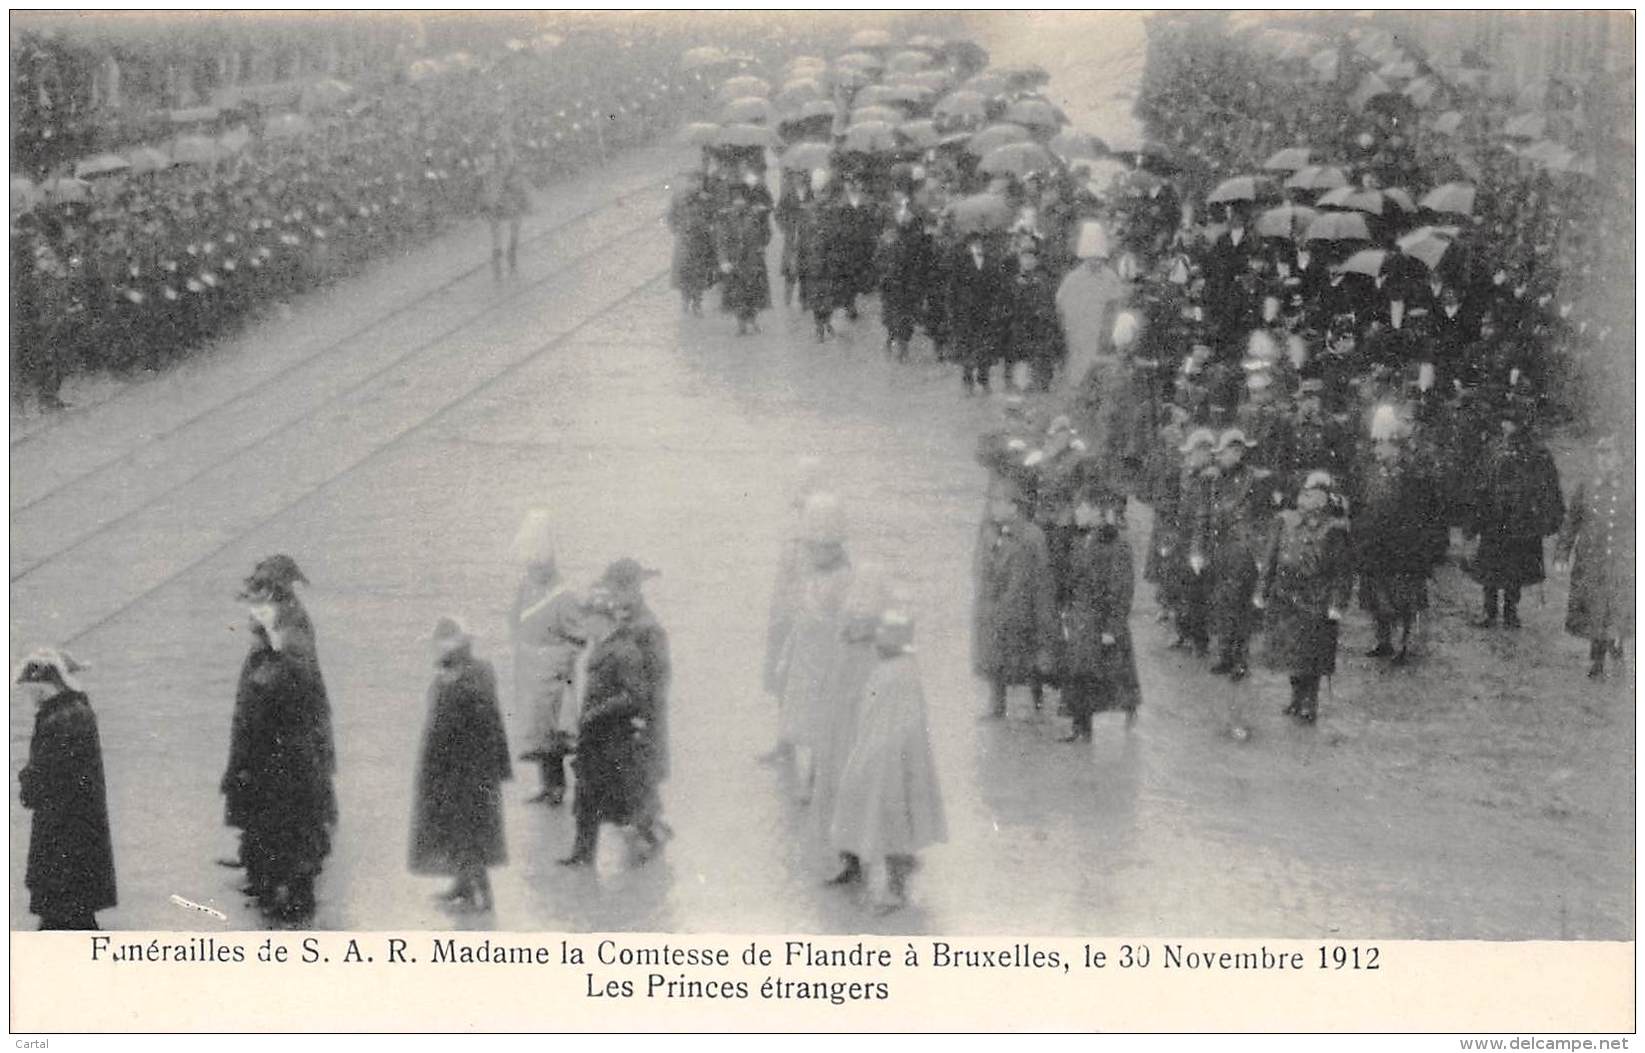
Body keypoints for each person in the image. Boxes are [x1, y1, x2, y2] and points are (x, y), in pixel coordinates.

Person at [221, 554, 336, 921]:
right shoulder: (276, 625)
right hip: (270, 738)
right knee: (267, 811)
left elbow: (294, 675)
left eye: (258, 599)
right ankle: (263, 874)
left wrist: (266, 666)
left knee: (290, 817)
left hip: (288, 743)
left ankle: (292, 888)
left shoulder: (290, 628)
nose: (252, 608)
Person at [827, 604, 947, 913]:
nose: (876, 643)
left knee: (891, 819)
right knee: (854, 804)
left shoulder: (902, 673)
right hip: (871, 751)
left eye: (882, 638)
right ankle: (854, 864)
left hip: (892, 759)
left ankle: (896, 888)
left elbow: (908, 724)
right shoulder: (887, 666)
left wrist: (888, 754)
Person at [561, 558, 672, 867]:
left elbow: (656, 682)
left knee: (634, 791)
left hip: (637, 725)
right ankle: (647, 841)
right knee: (631, 791)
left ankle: (650, 844)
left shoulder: (646, 628)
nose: (613, 596)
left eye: (615, 589)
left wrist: (641, 722)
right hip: (622, 724)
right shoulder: (625, 624)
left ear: (631, 589)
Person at [410, 617, 511, 913]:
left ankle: (482, 895)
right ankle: (463, 886)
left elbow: (477, 722)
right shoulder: (463, 672)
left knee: (467, 831)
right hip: (453, 767)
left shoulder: (468, 676)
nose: (436, 649)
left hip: (467, 769)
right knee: (455, 829)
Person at [18, 649, 116, 930]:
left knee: (63, 906)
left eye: (32, 691)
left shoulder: (59, 719)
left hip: (63, 827)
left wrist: (26, 780)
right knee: (73, 907)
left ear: (44, 686)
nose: (30, 698)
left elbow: (44, 775)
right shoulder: (72, 712)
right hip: (75, 826)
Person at [770, 493, 854, 797]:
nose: (813, 553)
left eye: (819, 548)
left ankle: (818, 778)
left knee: (826, 720)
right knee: (805, 718)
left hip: (829, 659)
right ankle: (814, 775)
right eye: (812, 547)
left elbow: (846, 623)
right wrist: (786, 655)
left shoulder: (844, 578)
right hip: (806, 657)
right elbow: (800, 616)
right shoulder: (813, 574)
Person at [1258, 471, 1354, 723]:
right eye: (1303, 493)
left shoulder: (1334, 530)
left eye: (1310, 494)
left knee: (1312, 657)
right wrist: (1262, 590)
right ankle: (1295, 698)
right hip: (1286, 597)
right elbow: (1270, 558)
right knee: (1291, 655)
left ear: (1323, 499)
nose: (1304, 498)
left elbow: (1342, 573)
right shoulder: (1285, 521)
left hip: (1317, 600)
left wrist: (1337, 603)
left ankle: (1310, 702)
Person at [1351, 405, 1444, 664]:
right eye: (1376, 445)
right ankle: (1383, 640)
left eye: (1381, 445)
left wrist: (1424, 545)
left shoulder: (1413, 474)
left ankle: (1404, 643)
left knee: (1404, 599)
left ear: (1395, 447)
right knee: (1376, 596)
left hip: (1405, 547)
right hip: (1375, 544)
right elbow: (1360, 505)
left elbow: (1427, 511)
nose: (1376, 450)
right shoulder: (1370, 473)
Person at [509, 510, 589, 806]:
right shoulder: (526, 588)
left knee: (556, 731)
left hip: (554, 673)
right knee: (537, 730)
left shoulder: (564, 594)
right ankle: (546, 784)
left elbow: (579, 637)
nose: (534, 572)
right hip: (531, 669)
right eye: (531, 567)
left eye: (538, 567)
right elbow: (515, 621)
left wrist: (557, 660)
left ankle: (559, 788)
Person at [1465, 403, 1564, 629]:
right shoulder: (1493, 447)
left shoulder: (1535, 452)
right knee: (1489, 568)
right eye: (1504, 421)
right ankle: (1489, 611)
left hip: (1520, 521)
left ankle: (1511, 612)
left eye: (1510, 422)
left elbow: (1548, 486)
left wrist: (1546, 517)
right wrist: (1474, 518)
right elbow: (1481, 481)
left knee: (1514, 570)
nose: (1505, 426)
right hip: (1494, 519)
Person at [1059, 491, 1142, 741]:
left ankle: (1129, 710)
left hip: (1101, 619)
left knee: (1112, 672)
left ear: (1096, 511)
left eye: (1082, 509)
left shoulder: (1116, 543)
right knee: (1078, 672)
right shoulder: (1079, 539)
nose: (1077, 514)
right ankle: (1080, 726)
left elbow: (1121, 589)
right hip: (1080, 617)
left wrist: (1112, 627)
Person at [973, 476, 1057, 718]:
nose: (993, 508)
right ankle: (996, 705)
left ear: (1014, 507)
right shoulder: (989, 532)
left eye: (1000, 503)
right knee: (994, 655)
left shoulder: (1032, 535)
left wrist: (1041, 611)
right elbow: (979, 567)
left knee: (1031, 659)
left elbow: (1042, 579)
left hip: (1024, 608)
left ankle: (1037, 702)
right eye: (993, 503)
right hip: (994, 606)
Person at [1554, 436, 1633, 678]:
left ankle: (1614, 643)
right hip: (1591, 560)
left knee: (1616, 607)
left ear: (1621, 458)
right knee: (1595, 610)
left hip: (1621, 560)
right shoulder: (1587, 485)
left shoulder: (1633, 487)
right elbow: (1571, 521)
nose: (1605, 460)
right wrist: (1562, 553)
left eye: (1610, 455)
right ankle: (1597, 660)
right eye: (1601, 455)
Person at [948, 231, 1008, 395]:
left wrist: (997, 308)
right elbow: (953, 289)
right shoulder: (960, 264)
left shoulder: (992, 263)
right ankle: (968, 381)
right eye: (974, 245)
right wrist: (953, 311)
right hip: (966, 313)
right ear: (968, 247)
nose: (978, 247)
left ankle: (984, 380)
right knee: (967, 349)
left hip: (987, 313)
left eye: (980, 244)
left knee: (985, 350)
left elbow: (999, 287)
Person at [716, 184, 773, 336]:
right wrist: (723, 261)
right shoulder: (726, 218)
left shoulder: (756, 216)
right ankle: (741, 324)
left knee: (753, 292)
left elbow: (766, 235)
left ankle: (753, 320)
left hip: (753, 260)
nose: (739, 203)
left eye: (742, 199)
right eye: (736, 200)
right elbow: (721, 241)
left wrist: (761, 243)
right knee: (737, 294)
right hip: (735, 262)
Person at [478, 137, 531, 280]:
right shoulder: (495, 162)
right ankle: (505, 258)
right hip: (501, 199)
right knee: (504, 229)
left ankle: (504, 259)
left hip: (500, 198)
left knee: (503, 230)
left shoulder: (500, 159)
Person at [668, 173, 719, 315]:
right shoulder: (678, 198)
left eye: (699, 182)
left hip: (702, 240)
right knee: (684, 272)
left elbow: (714, 217)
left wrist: (710, 228)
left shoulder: (707, 199)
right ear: (688, 182)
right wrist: (677, 231)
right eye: (694, 181)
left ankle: (697, 303)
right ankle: (685, 300)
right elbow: (671, 217)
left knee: (700, 273)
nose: (697, 185)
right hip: (684, 240)